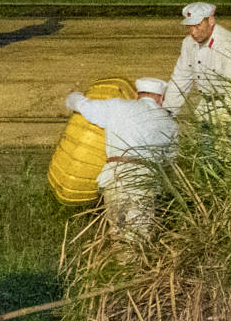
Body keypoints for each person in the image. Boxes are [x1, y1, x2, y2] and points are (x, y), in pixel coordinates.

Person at [64, 77, 179, 238]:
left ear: (138, 95)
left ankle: (119, 261)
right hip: (144, 182)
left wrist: (73, 95)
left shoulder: (117, 106)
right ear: (161, 98)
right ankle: (132, 262)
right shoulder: (169, 123)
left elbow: (80, 104)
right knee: (139, 235)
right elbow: (170, 161)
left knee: (117, 229)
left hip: (114, 177)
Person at [167, 2, 231, 123]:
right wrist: (168, 111)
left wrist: (228, 118)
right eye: (190, 26)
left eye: (197, 26)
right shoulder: (188, 43)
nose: (193, 32)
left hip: (230, 109)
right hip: (205, 109)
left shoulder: (229, 44)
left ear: (211, 21)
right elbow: (181, 78)